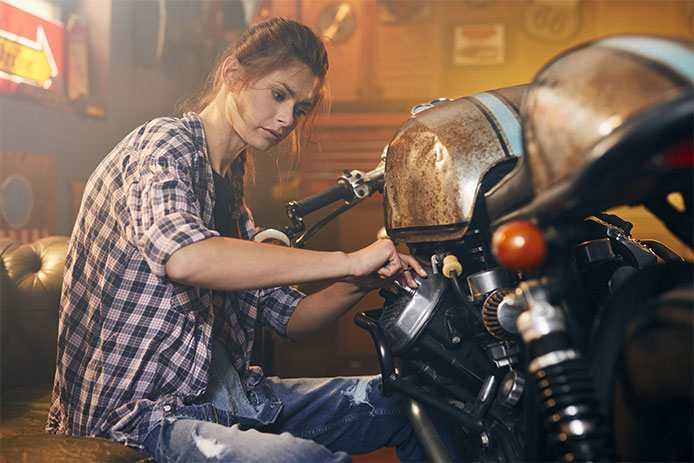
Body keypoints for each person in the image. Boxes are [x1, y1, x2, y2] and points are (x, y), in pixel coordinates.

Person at [46, 17, 460, 463]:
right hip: (138, 416)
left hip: (226, 397)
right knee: (303, 460)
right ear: (232, 75)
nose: (287, 119)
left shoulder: (230, 194)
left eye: (300, 109)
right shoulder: (163, 144)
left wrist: (363, 279)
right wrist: (346, 259)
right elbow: (185, 257)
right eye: (279, 95)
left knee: (417, 407)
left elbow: (292, 317)